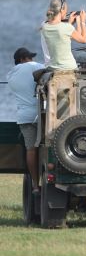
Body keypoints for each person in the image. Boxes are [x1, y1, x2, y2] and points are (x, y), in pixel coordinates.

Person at [6, 47, 45, 193]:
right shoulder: (38, 67)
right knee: (47, 146)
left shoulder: (10, 75)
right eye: (29, 57)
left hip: (24, 117)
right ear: (23, 59)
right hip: (42, 114)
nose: (32, 60)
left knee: (31, 149)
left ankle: (35, 185)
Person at [39, 0, 86, 70]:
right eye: (66, 10)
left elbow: (62, 38)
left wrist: (70, 23)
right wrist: (82, 21)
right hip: (69, 67)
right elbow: (83, 39)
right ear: (61, 10)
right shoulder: (66, 27)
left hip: (51, 66)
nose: (66, 13)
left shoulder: (44, 26)